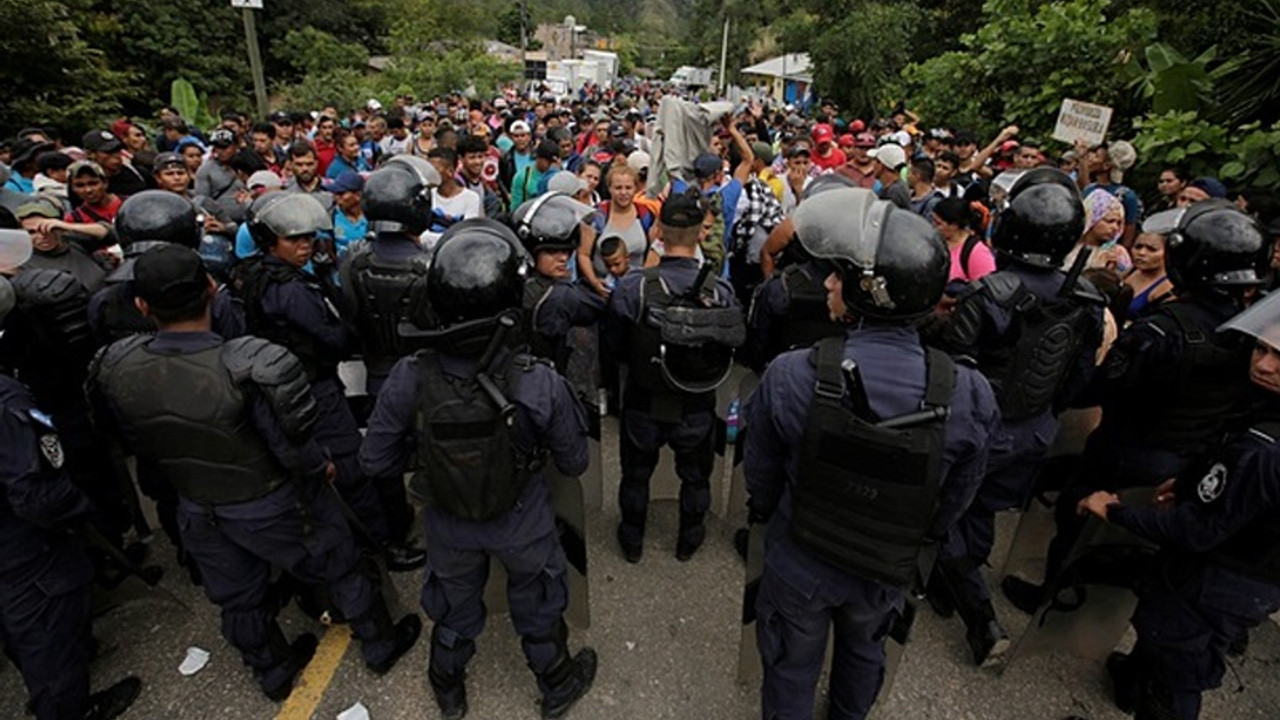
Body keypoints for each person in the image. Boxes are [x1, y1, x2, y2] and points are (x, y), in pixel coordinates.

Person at [87, 245, 420, 702]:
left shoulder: (117, 365)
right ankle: (379, 645)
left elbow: (127, 437)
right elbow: (293, 447)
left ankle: (274, 672)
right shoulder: (247, 364)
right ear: (210, 288)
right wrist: (319, 468)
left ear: (142, 305)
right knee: (341, 565)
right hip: (272, 500)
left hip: (197, 505)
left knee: (238, 598)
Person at [744, 185, 998, 720]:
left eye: (840, 275)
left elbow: (761, 473)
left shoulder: (793, 374)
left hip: (803, 553)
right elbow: (957, 497)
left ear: (867, 293)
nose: (830, 282)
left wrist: (770, 518)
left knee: (791, 665)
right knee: (864, 654)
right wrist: (918, 535)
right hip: (887, 563)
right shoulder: (968, 394)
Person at [360, 219, 598, 720]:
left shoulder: (410, 376)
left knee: (454, 604)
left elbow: (375, 460)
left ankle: (448, 686)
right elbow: (575, 461)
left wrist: (436, 455)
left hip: (448, 521)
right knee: (537, 598)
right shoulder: (537, 381)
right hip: (522, 518)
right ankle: (555, 681)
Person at [1003, 200, 1271, 614]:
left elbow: (1102, 388)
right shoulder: (1255, 334)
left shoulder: (1160, 331)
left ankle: (1054, 594)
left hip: (1126, 450)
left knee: (1077, 516)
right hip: (1191, 460)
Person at [927, 169, 1105, 666]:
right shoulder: (1088, 300)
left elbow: (947, 362)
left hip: (979, 427)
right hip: (1035, 429)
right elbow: (1079, 380)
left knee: (943, 515)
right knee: (980, 511)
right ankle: (950, 581)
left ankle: (978, 616)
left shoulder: (990, 294)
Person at [1075, 291, 1280, 720]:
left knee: (1177, 677)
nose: (1263, 366)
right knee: (1161, 640)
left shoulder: (1263, 448)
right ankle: (1132, 681)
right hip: (1245, 570)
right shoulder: (1262, 418)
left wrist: (1112, 510)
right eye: (1262, 348)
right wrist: (1192, 483)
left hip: (1221, 577)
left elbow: (1196, 529)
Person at [234, 192, 423, 571]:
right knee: (352, 469)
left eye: (309, 238)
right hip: (312, 389)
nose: (305, 246)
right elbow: (336, 336)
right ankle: (383, 546)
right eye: (294, 240)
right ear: (271, 240)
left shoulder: (251, 277)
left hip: (281, 390)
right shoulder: (290, 290)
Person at [0, 269, 142, 720]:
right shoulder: (8, 404)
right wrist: (78, 509)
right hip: (23, 544)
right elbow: (34, 491)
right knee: (48, 630)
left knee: (22, 627)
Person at [603, 189, 743, 563]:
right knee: (695, 479)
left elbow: (613, 345)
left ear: (659, 231)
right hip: (696, 404)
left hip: (643, 401)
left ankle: (632, 541)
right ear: (701, 232)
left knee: (635, 476)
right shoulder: (722, 291)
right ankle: (689, 538)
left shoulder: (633, 287)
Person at [339, 156, 439, 399]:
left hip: (375, 376)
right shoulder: (432, 266)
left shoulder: (352, 260)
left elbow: (350, 314)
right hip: (425, 380)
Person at [513, 193, 606, 372]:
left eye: (567, 251)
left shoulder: (518, 283)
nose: (563, 258)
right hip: (551, 378)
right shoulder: (561, 295)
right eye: (551, 251)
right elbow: (600, 305)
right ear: (530, 252)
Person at [582, 165, 655, 298]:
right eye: (618, 188)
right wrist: (594, 282)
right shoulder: (597, 215)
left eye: (628, 188)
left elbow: (654, 251)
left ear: (636, 189)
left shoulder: (646, 214)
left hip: (634, 292)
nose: (623, 192)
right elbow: (583, 254)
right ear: (609, 189)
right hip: (601, 290)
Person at [422, 147, 483, 250]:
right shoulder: (426, 196)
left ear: (450, 171)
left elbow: (466, 236)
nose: (428, 173)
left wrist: (430, 238)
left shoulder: (471, 198)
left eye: (434, 169)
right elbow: (419, 235)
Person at [1063, 189, 1131, 273]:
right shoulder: (1066, 245)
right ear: (1092, 218)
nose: (1115, 227)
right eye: (1110, 221)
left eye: (1118, 223)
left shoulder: (1117, 254)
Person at [932, 198, 996, 285]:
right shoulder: (934, 242)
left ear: (954, 225)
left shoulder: (977, 253)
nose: (933, 226)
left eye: (938, 224)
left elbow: (985, 292)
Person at [1124, 230, 1174, 320]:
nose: (1141, 253)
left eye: (1152, 249)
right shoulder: (1129, 272)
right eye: (1138, 247)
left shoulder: (1169, 287)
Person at [869, 144, 911, 210]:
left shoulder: (896, 193)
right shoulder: (888, 188)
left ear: (882, 165)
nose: (873, 164)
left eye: (876, 161)